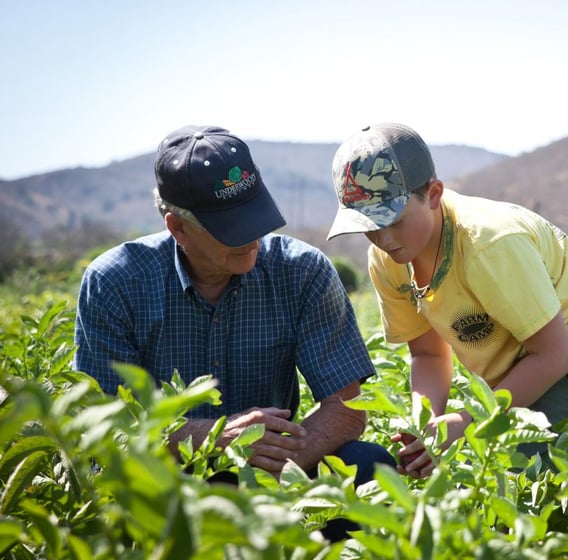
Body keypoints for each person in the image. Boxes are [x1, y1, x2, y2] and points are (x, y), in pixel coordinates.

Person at [73, 125, 395, 512]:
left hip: (274, 473)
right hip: (166, 478)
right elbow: (105, 426)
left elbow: (346, 406)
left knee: (367, 465)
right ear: (178, 227)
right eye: (231, 227)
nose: (252, 237)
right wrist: (216, 438)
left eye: (255, 216)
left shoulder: (301, 271)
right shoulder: (116, 282)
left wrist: (274, 464)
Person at [326, 122, 568, 478]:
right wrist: (429, 424)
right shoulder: (389, 260)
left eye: (395, 220)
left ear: (434, 194)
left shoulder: (489, 244)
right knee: (487, 468)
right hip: (512, 358)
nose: (384, 238)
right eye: (370, 227)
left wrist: (466, 421)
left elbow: (552, 355)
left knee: (534, 475)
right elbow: (427, 352)